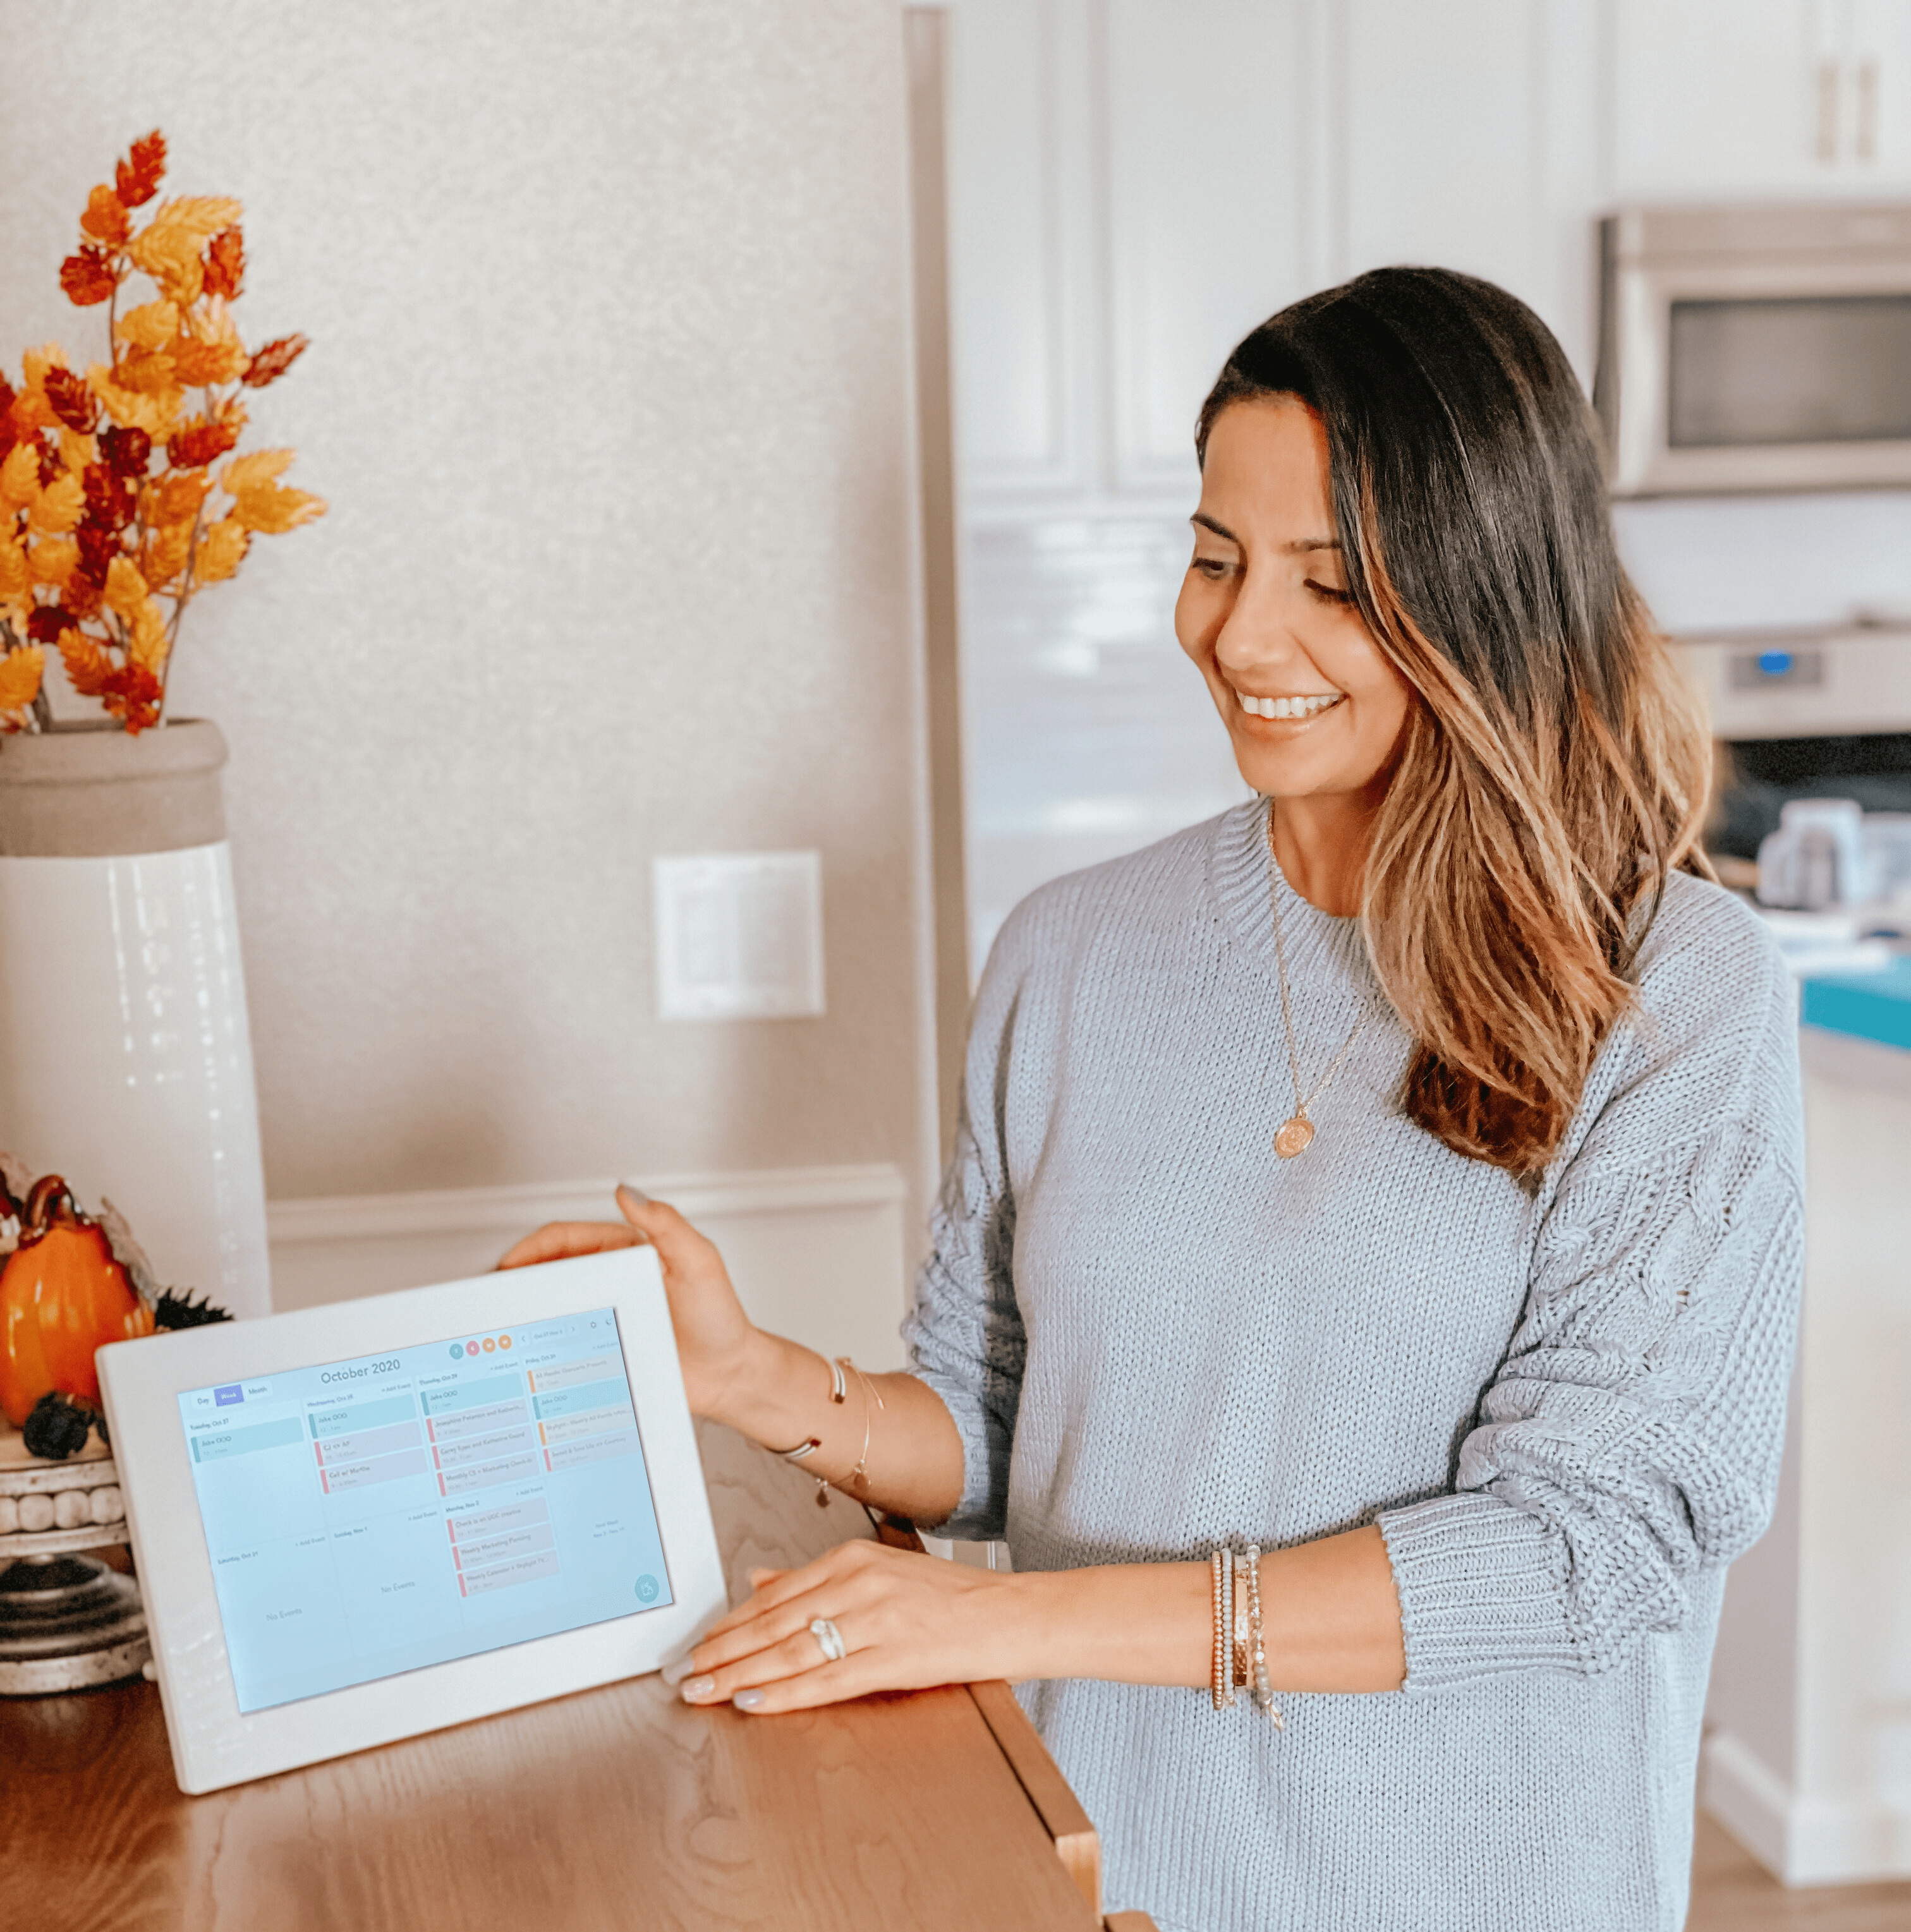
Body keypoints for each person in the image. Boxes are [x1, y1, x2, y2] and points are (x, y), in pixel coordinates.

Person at [502, 267, 1803, 1932]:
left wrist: (998, 1628)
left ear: (1485, 601)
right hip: (1088, 1881)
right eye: (1215, 557)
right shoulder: (1071, 953)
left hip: (1464, 1889)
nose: (1242, 635)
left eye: (1334, 586)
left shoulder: (1671, 989)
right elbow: (998, 1429)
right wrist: (759, 1378)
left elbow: (1580, 1555)